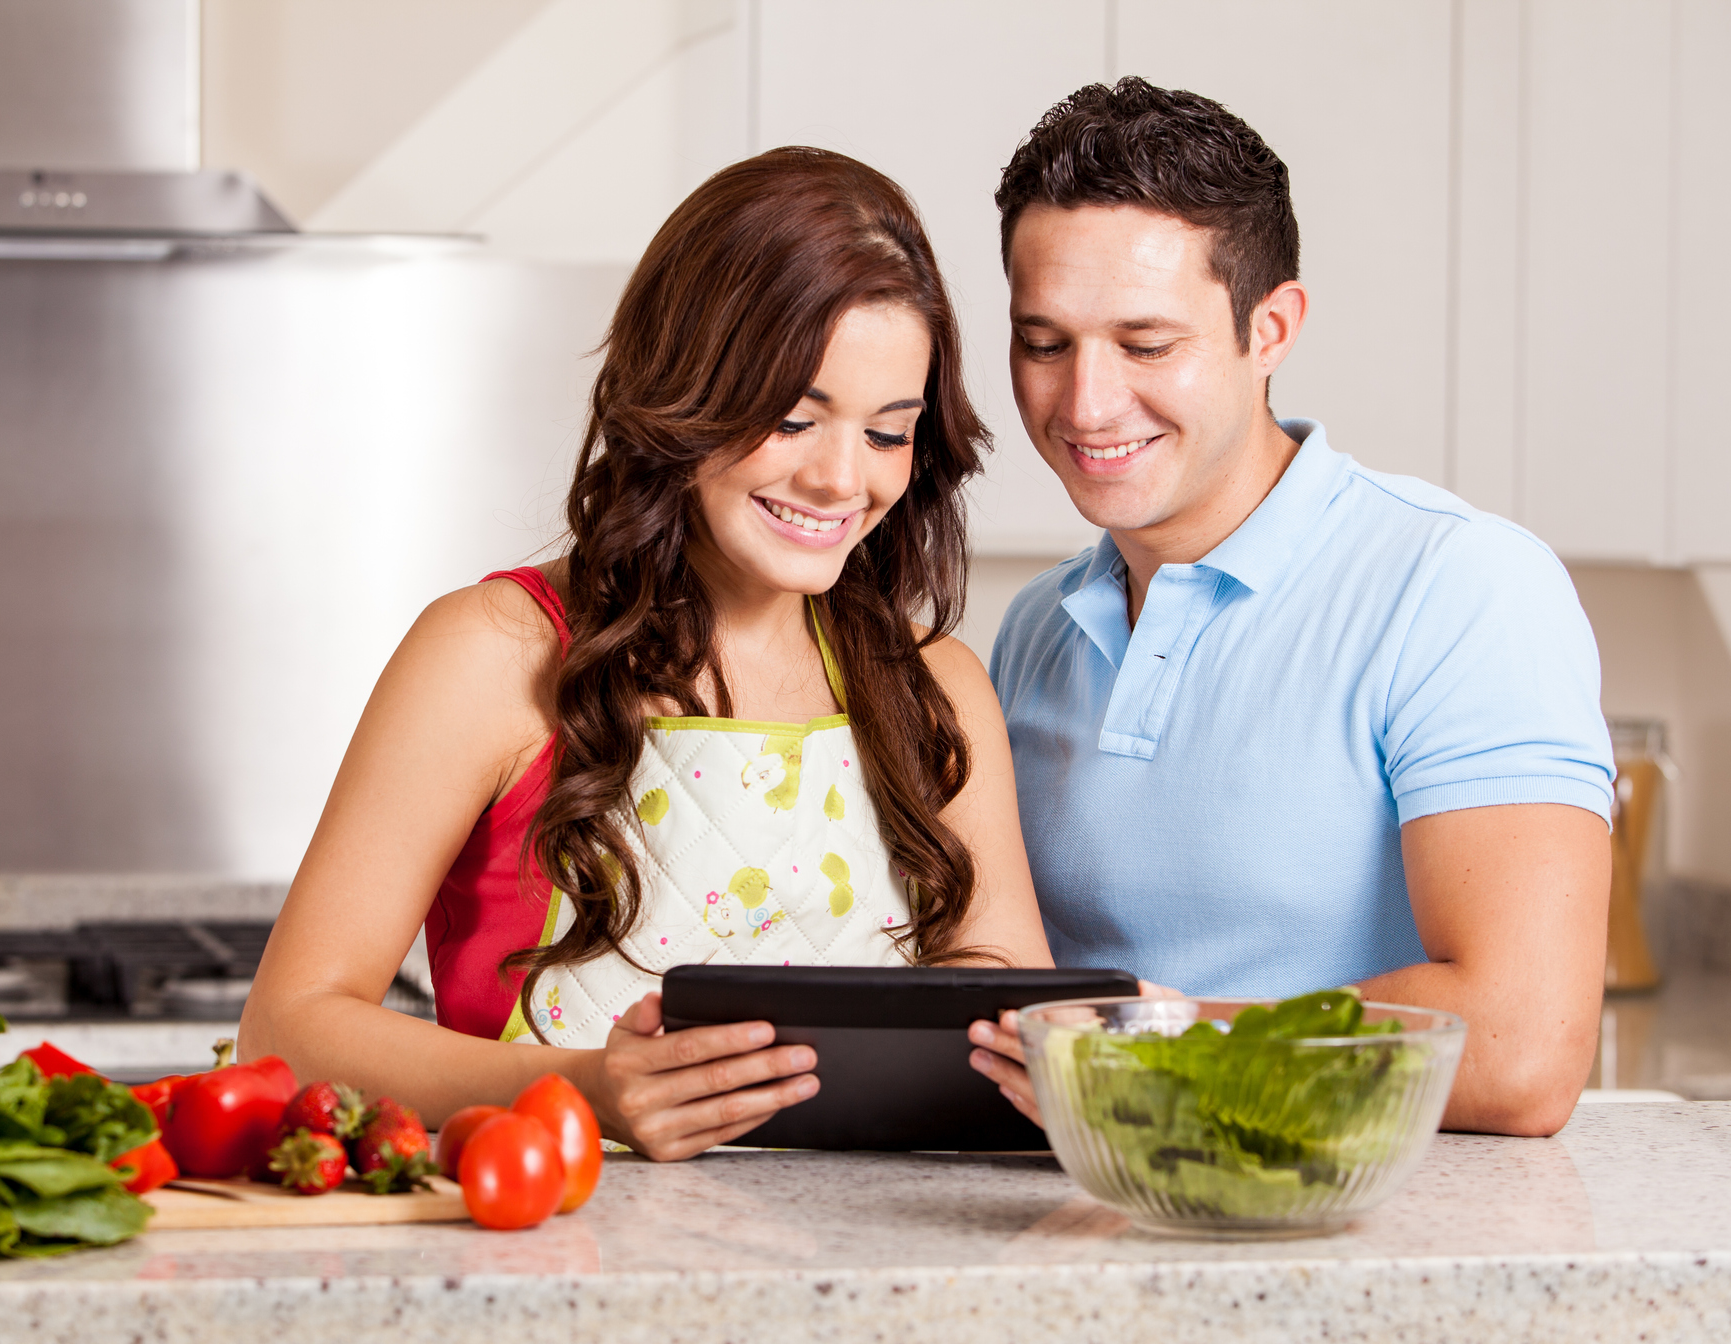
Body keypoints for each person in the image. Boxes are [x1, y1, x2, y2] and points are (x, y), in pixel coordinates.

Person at [239, 148, 1052, 1161]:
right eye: (794, 416)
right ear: (683, 390)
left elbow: (1015, 1027)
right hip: (557, 1255)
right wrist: (583, 1088)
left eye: (890, 433)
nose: (843, 477)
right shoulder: (494, 654)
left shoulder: (939, 689)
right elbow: (283, 1029)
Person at [964, 81, 1613, 1137]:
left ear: (1271, 328)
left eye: (1145, 344)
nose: (1084, 404)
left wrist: (1144, 1053)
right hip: (1086, 1222)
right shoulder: (1036, 628)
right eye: (1044, 343)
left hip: (1353, 1240)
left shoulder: (1459, 587)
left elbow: (1520, 1046)